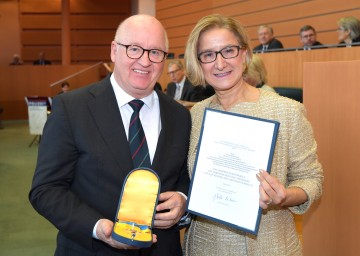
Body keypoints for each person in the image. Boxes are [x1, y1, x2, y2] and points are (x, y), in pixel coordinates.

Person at [29, 14, 191, 256]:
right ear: (114, 51)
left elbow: (183, 178)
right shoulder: (71, 109)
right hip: (91, 249)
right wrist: (97, 227)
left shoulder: (180, 116)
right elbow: (46, 189)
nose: (145, 61)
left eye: (155, 52)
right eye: (134, 49)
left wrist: (182, 199)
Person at [183, 14, 323, 255]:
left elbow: (312, 179)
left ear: (245, 54)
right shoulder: (196, 114)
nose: (219, 63)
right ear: (199, 62)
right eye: (208, 54)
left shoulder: (286, 111)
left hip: (269, 246)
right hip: (203, 246)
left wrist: (285, 196)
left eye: (228, 51)